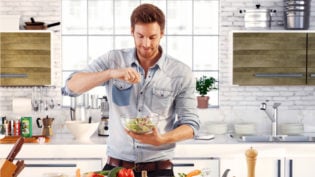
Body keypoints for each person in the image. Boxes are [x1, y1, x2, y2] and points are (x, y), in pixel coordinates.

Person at [62, 3, 200, 177]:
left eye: (152, 37)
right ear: (132, 31)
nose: (146, 44)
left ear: (162, 34)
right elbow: (70, 87)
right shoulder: (113, 60)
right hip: (116, 169)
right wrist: (111, 73)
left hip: (160, 170)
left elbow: (191, 125)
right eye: (140, 36)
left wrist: (161, 139)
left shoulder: (180, 72)